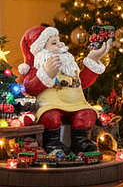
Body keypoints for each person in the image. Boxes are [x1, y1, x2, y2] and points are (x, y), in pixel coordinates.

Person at [18, 24, 111, 153]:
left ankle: (80, 141)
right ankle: (52, 142)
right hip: (51, 105)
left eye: (59, 41)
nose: (61, 45)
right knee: (50, 116)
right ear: (41, 51)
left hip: (76, 104)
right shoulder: (38, 69)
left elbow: (81, 81)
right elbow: (29, 87)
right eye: (54, 42)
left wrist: (94, 58)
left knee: (88, 114)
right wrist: (46, 74)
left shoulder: (69, 67)